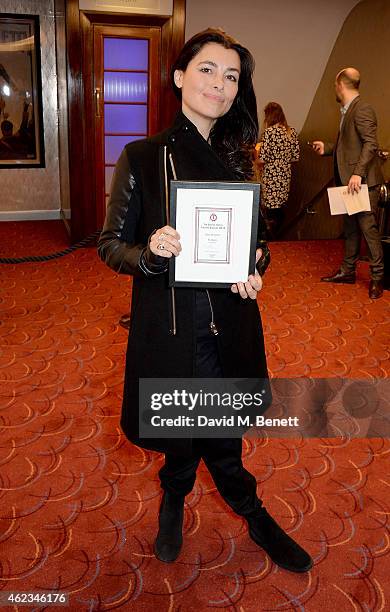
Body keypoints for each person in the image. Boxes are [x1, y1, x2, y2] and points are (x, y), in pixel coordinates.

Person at [98, 28, 312, 573]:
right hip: (170, 326)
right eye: (207, 70)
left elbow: (254, 247)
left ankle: (252, 512)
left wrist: (254, 270)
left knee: (222, 435)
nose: (219, 84)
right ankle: (175, 498)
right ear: (179, 77)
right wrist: (147, 254)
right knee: (177, 433)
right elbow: (109, 245)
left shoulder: (242, 161)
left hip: (229, 323)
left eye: (231, 76)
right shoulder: (142, 157)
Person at [312, 67, 384, 299]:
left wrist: (357, 174)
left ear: (340, 84)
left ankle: (377, 278)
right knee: (351, 229)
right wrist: (328, 149)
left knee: (368, 231)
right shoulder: (348, 110)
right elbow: (348, 147)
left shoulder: (362, 109)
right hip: (350, 182)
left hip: (360, 183)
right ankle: (348, 271)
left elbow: (371, 144)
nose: (334, 88)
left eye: (335, 85)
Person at [255, 102, 299, 238]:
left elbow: (262, 159)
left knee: (268, 207)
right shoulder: (291, 132)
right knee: (279, 205)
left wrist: (255, 160)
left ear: (269, 116)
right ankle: (276, 234)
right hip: (285, 175)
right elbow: (295, 157)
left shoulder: (269, 132)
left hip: (271, 174)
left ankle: (270, 236)